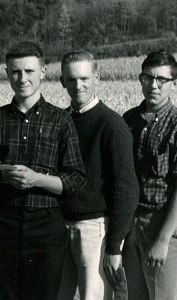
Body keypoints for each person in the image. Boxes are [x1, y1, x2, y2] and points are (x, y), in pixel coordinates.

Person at [0, 41, 86, 300]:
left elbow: (75, 180)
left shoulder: (61, 120)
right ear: (6, 72)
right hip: (2, 225)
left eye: (29, 71)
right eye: (16, 71)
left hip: (46, 228)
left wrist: (36, 179)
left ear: (43, 72)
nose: (22, 78)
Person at [57, 50, 139, 300]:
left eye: (84, 78)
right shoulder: (60, 121)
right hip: (59, 225)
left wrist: (114, 247)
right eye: (71, 80)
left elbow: (126, 189)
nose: (77, 86)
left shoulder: (112, 125)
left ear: (97, 78)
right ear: (62, 81)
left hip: (94, 230)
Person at [122, 51, 177, 300]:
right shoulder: (129, 120)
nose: (153, 85)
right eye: (148, 78)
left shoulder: (176, 124)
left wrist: (164, 239)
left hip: (162, 224)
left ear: (173, 84)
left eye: (161, 80)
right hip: (129, 223)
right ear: (140, 79)